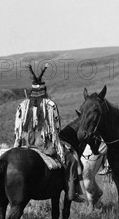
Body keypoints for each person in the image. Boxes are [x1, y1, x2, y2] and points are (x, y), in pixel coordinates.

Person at [13, 64, 84, 202]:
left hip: (24, 142)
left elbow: (17, 129)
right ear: (44, 90)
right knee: (71, 159)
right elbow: (55, 129)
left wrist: (19, 141)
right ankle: (71, 192)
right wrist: (57, 143)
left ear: (31, 90)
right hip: (44, 144)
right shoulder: (50, 105)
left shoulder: (22, 105)